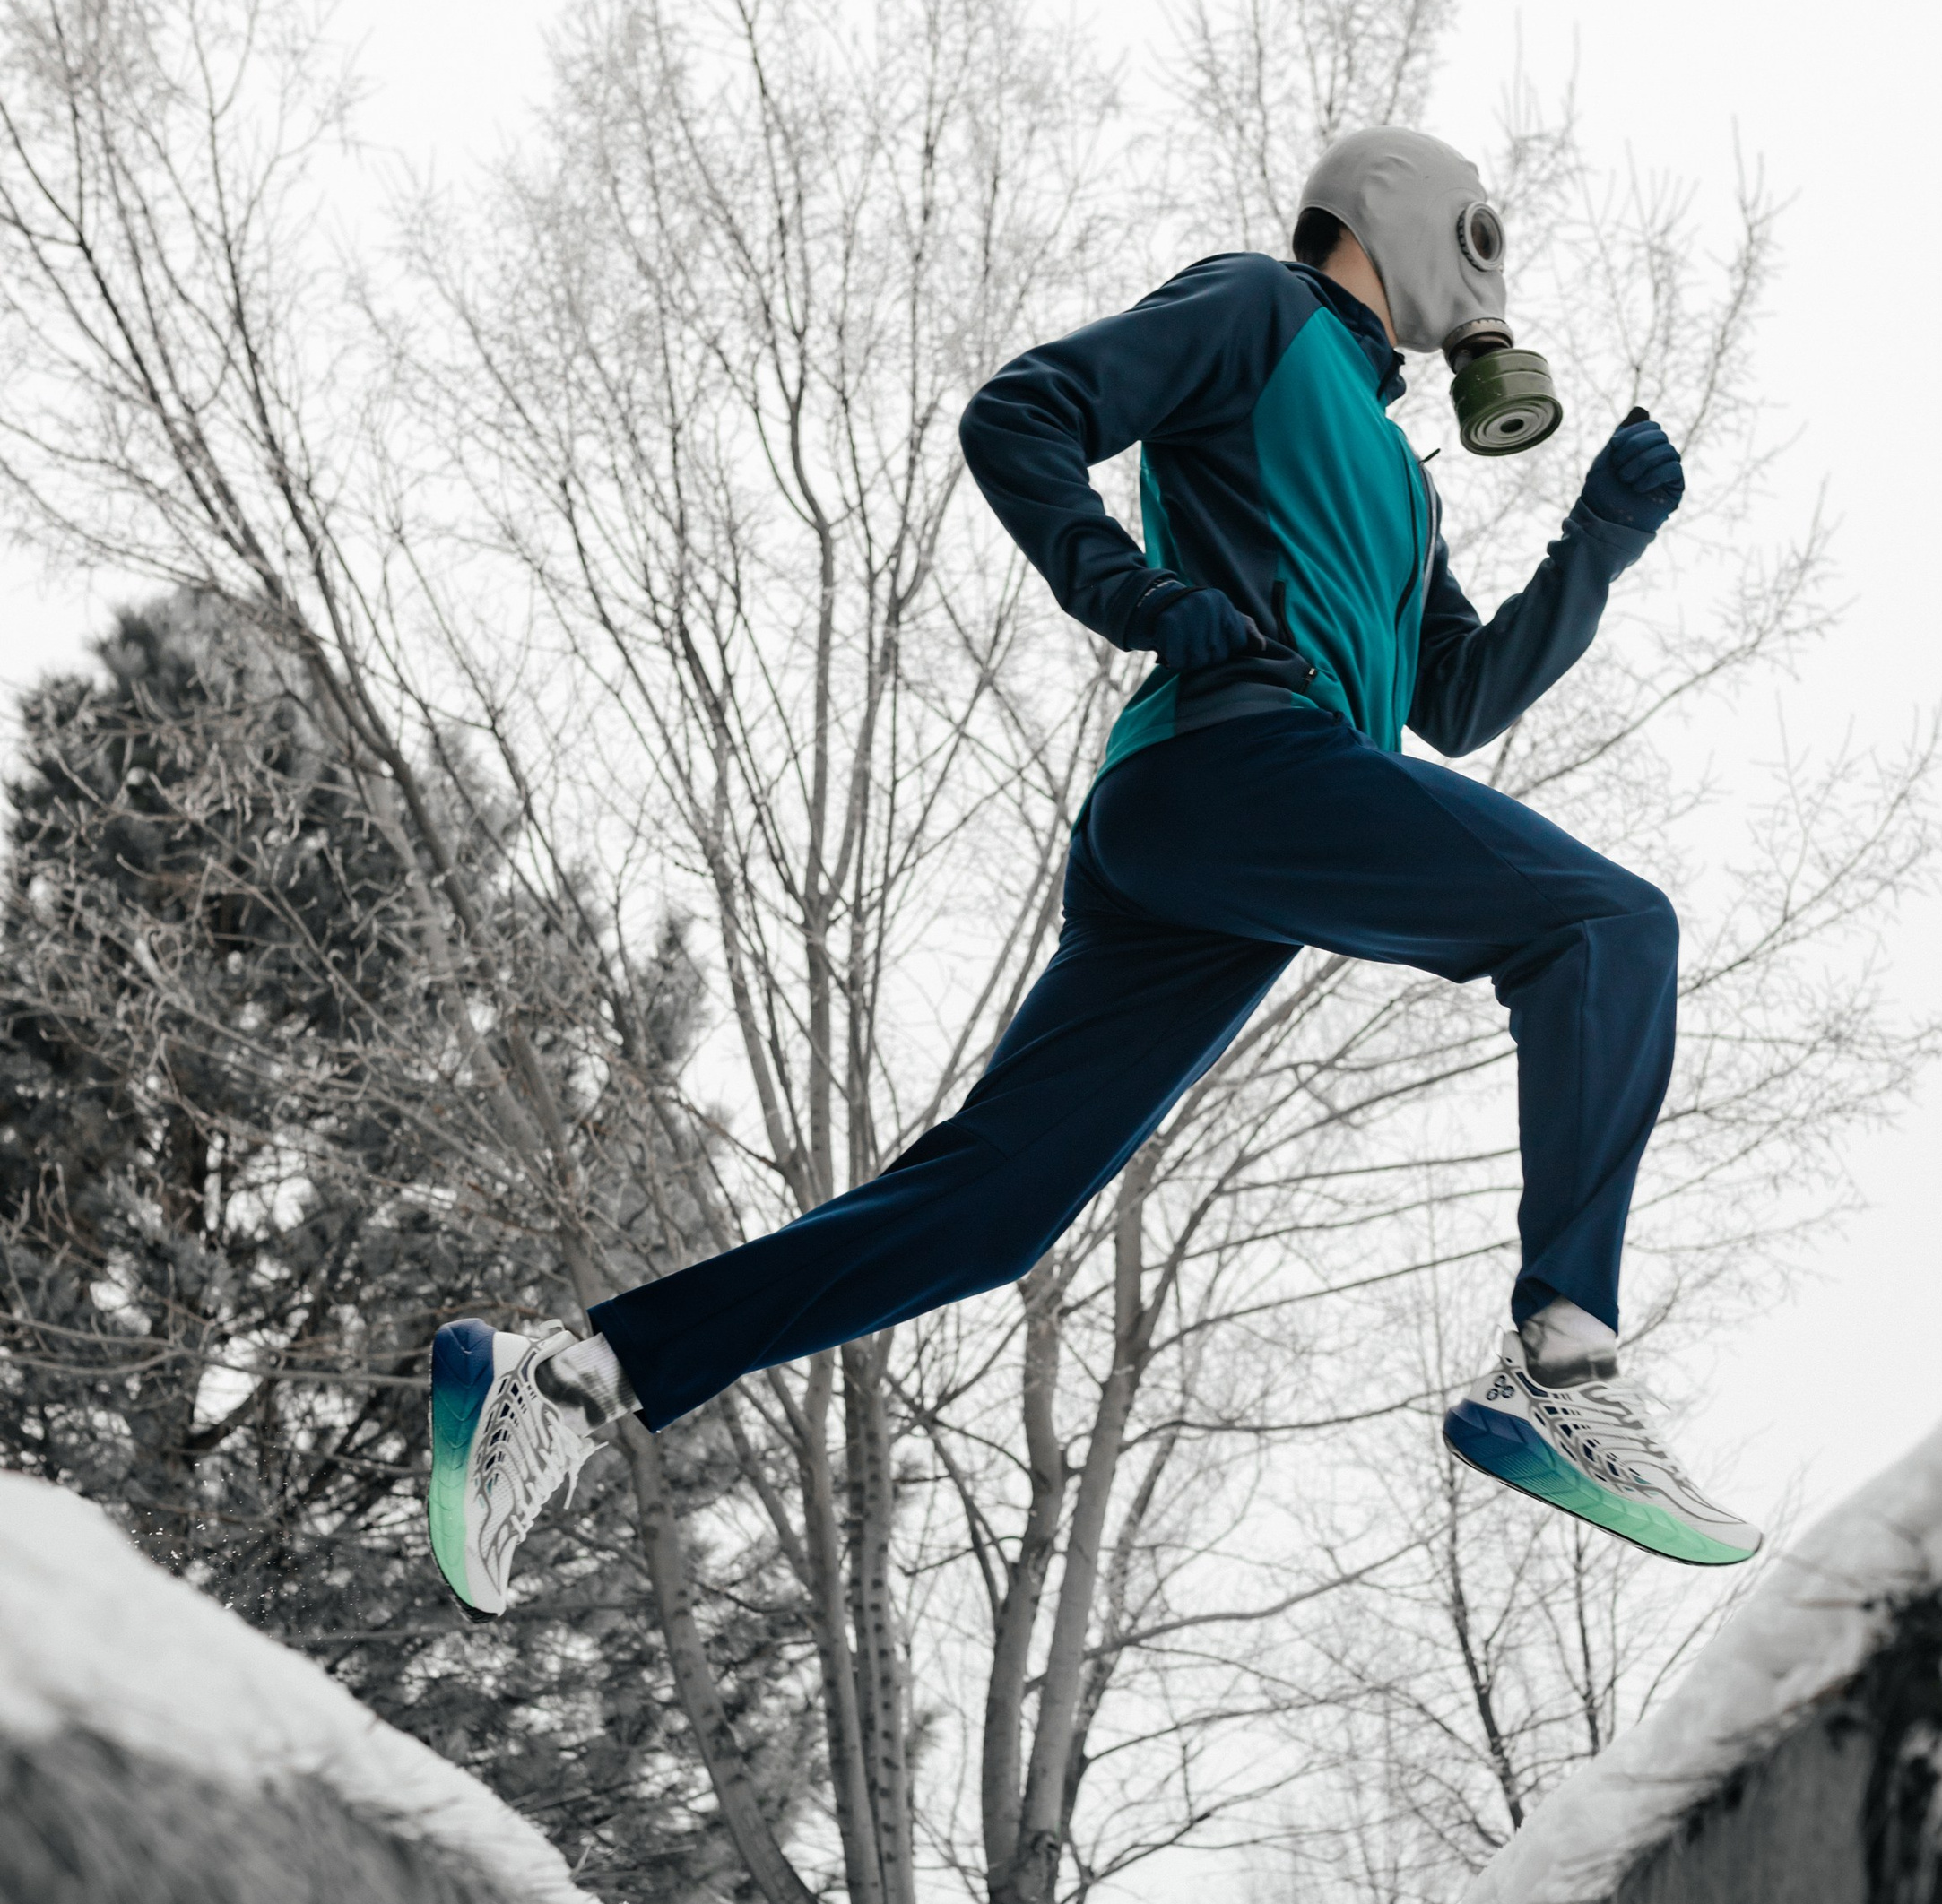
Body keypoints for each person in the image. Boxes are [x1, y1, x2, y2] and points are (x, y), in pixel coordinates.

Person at [426, 128, 1760, 1620]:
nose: (1489, 283)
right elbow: (1027, 410)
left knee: (991, 1213)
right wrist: (1137, 594)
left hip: (1231, 848)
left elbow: (1457, 699)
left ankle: (568, 1370)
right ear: (1410, 217)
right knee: (1608, 926)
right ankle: (1562, 1363)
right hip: (1234, 769)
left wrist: (1606, 538)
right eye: (1484, 241)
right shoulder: (1256, 311)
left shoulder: (1398, 468)